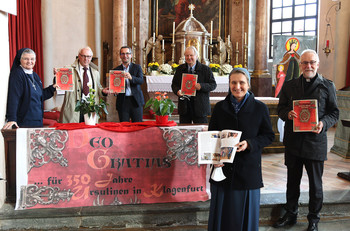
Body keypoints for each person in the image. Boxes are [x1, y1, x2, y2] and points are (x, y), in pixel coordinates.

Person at [274, 49, 339, 231]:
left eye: (312, 62)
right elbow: (280, 109)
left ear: (318, 64)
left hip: (315, 142)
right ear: (300, 64)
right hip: (293, 142)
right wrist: (287, 113)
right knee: (292, 182)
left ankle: (314, 219)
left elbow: (334, 113)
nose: (308, 66)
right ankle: (291, 213)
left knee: (316, 185)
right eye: (305, 63)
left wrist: (323, 123)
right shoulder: (289, 85)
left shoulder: (328, 86)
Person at [208, 68, 275, 231]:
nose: (237, 86)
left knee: (245, 218)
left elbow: (268, 136)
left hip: (248, 170)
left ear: (248, 85)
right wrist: (214, 159)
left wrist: (250, 143)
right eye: (233, 82)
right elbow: (212, 136)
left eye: (241, 82)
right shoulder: (219, 107)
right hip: (223, 169)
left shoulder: (260, 108)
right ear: (229, 84)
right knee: (222, 217)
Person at [4, 48, 57, 129]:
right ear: (20, 60)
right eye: (26, 59)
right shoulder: (17, 74)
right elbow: (13, 97)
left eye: (32, 59)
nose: (29, 62)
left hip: (37, 120)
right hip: (24, 121)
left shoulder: (34, 75)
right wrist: (12, 118)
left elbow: (40, 96)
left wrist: (53, 87)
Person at [58, 47, 110, 123]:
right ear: (79, 56)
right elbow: (59, 83)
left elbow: (98, 88)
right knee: (74, 132)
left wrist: (103, 91)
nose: (86, 59)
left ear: (91, 58)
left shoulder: (95, 72)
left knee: (89, 132)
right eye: (83, 56)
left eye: (88, 57)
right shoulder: (69, 70)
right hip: (74, 107)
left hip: (90, 108)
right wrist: (57, 75)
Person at [171, 46, 217, 123]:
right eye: (187, 55)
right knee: (184, 131)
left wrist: (201, 86)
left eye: (191, 55)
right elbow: (174, 85)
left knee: (201, 132)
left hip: (200, 107)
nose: (189, 57)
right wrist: (177, 91)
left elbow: (213, 85)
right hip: (185, 107)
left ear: (196, 56)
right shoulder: (180, 69)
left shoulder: (206, 69)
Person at [113, 46, 144, 122]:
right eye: (123, 54)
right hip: (123, 101)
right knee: (124, 127)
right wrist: (115, 92)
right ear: (120, 56)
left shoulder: (137, 67)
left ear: (131, 55)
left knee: (138, 126)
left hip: (136, 100)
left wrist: (131, 78)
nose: (125, 56)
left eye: (127, 53)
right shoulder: (116, 70)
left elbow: (141, 80)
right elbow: (115, 87)